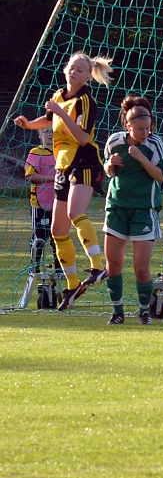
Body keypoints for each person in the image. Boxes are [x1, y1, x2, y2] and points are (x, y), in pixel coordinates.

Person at [14, 52, 112, 310]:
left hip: (84, 162)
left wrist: (59, 112)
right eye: (71, 68)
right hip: (63, 166)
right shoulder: (59, 96)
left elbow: (81, 137)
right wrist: (27, 125)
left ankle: (98, 266)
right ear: (65, 70)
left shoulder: (86, 100)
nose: (73, 72)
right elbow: (47, 121)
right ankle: (71, 285)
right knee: (58, 231)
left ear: (87, 76)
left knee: (75, 212)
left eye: (80, 70)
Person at [101, 96, 163, 325]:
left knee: (141, 268)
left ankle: (144, 311)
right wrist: (110, 165)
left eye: (148, 128)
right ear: (128, 126)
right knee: (113, 265)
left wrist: (140, 158)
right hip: (117, 208)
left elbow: (160, 177)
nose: (145, 133)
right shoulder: (114, 141)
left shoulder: (155, 144)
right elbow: (108, 172)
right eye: (140, 129)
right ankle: (117, 311)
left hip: (144, 210)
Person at [24, 128, 59, 275]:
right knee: (39, 237)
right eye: (46, 131)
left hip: (59, 203)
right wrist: (53, 179)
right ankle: (35, 267)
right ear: (39, 135)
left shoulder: (62, 152)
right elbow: (30, 176)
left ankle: (60, 269)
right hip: (39, 203)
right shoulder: (35, 153)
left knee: (58, 237)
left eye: (53, 131)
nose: (50, 134)